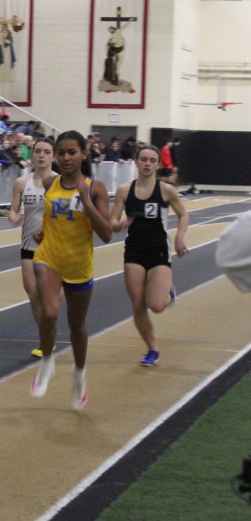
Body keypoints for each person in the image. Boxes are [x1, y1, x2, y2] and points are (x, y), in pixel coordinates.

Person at [30, 130, 113, 409]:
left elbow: (107, 234)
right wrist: (43, 233)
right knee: (49, 312)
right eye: (62, 153)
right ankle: (47, 361)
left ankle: (79, 375)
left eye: (72, 152)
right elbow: (51, 217)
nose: (66, 158)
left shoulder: (95, 187)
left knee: (77, 326)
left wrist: (87, 202)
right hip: (49, 258)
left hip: (78, 264)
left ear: (83, 154)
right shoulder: (49, 182)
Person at [110, 144, 188, 366]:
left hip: (158, 250)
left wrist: (180, 237)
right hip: (134, 251)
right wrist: (119, 225)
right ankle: (152, 349)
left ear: (158, 164)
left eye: (152, 160)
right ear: (136, 162)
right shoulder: (124, 190)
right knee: (137, 305)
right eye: (143, 159)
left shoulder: (166, 190)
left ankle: (167, 293)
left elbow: (183, 215)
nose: (147, 164)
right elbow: (112, 221)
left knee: (156, 305)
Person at [8, 137, 58, 357]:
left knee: (50, 299)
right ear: (32, 154)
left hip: (54, 247)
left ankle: (49, 333)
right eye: (37, 151)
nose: (41, 155)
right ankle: (46, 340)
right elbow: (13, 209)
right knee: (34, 295)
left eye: (47, 152)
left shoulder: (60, 182)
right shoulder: (21, 183)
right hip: (29, 246)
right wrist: (13, 217)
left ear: (53, 156)